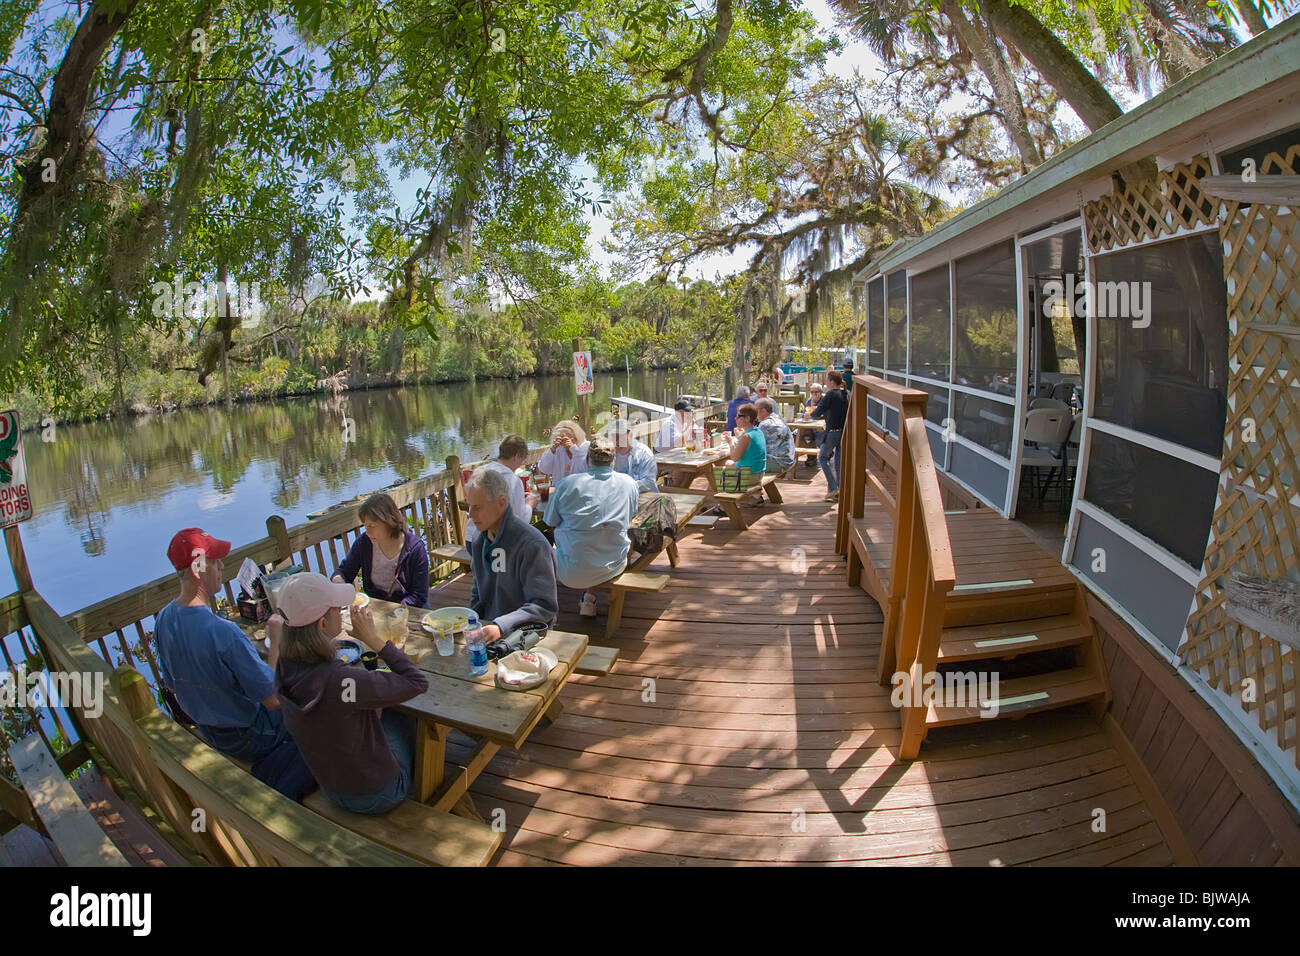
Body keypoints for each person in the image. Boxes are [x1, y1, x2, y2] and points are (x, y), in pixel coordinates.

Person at [154, 528, 315, 801]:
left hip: (209, 730)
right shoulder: (222, 632)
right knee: (316, 703)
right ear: (196, 569)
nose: (221, 566)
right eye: (214, 561)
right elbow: (273, 700)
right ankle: (279, 778)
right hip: (251, 736)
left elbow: (171, 684)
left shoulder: (164, 620)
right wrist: (276, 643)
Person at [273, 573, 428, 815]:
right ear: (322, 624)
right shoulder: (341, 679)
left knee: (378, 709)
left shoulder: (285, 665)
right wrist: (374, 639)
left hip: (331, 788)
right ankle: (429, 790)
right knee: (409, 717)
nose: (341, 611)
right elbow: (417, 682)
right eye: (337, 608)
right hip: (380, 794)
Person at [543, 436, 640, 618]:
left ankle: (546, 601)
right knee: (611, 533)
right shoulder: (629, 483)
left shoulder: (567, 484)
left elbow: (550, 522)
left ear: (587, 460)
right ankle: (589, 597)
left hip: (568, 570)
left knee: (570, 536)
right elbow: (630, 516)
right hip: (612, 564)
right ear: (614, 460)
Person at [465, 467, 558, 641]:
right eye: (469, 506)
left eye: (477, 507)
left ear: (501, 503)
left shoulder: (532, 545)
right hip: (488, 631)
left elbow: (544, 606)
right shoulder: (479, 539)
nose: (471, 515)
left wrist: (501, 625)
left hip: (527, 635)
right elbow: (478, 592)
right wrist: (472, 622)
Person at [330, 493, 429, 608]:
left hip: (409, 607)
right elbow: (345, 571)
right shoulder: (364, 543)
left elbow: (419, 595)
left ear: (389, 522)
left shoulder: (415, 548)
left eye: (372, 526)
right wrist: (338, 580)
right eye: (365, 526)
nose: (367, 532)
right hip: (375, 606)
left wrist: (396, 611)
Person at [464, 435, 536, 544]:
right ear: (516, 456)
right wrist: (530, 505)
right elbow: (520, 520)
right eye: (522, 459)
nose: (521, 464)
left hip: (471, 539)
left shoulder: (480, 471)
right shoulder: (513, 480)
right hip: (494, 543)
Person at [812, 370, 849, 502]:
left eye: (827, 381)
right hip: (844, 432)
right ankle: (839, 491)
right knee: (838, 462)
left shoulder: (830, 395)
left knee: (822, 458)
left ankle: (833, 488)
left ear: (832, 382)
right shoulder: (846, 394)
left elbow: (817, 412)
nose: (826, 384)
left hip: (832, 432)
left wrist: (809, 414)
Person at [723, 404, 767, 506]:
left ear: (747, 418)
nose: (735, 418)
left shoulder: (746, 436)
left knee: (722, 470)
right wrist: (739, 437)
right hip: (759, 473)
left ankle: (725, 506)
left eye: (739, 416)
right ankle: (756, 495)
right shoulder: (758, 431)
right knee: (728, 464)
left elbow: (734, 457)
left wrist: (730, 443)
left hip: (750, 476)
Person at [608, 419, 659, 494]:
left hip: (644, 496)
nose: (617, 439)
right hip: (618, 497)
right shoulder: (608, 454)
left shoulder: (644, 453)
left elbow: (649, 482)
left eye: (621, 435)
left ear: (630, 434)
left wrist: (624, 487)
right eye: (614, 436)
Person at [754, 397, 794, 476]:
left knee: (743, 465)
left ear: (763, 410)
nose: (754, 414)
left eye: (755, 411)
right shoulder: (778, 418)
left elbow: (753, 445)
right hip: (789, 460)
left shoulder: (765, 424)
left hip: (779, 462)